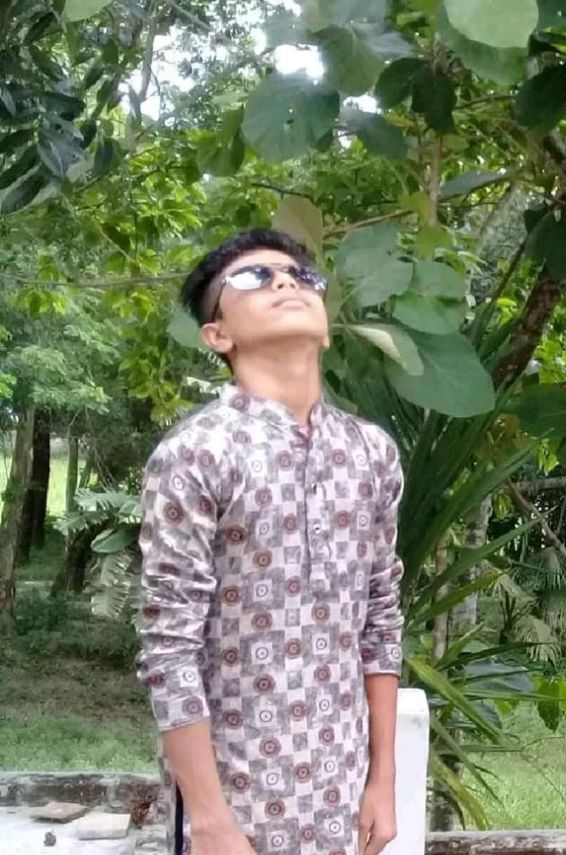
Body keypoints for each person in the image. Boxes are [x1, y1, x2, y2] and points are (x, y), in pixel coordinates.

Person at [135, 229, 405, 855]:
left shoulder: (371, 453)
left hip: (343, 799)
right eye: (254, 278)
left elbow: (380, 622)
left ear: (327, 329)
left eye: (301, 276)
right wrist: (209, 820)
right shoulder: (196, 454)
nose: (286, 281)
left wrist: (383, 781)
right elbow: (169, 647)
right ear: (217, 335)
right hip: (236, 804)